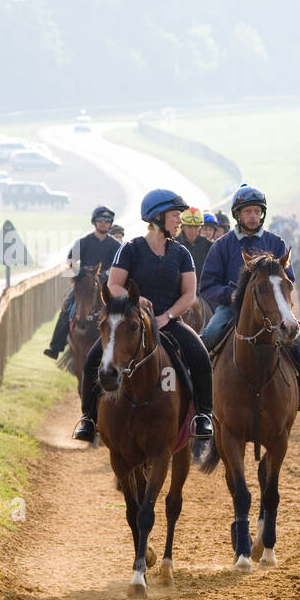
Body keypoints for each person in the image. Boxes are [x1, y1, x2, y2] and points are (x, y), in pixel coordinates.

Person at [72, 189, 214, 442]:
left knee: (200, 356)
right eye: (175, 215)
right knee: (94, 358)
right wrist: (132, 301)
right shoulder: (131, 249)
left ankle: (203, 415)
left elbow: (189, 294)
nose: (179, 220)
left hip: (168, 323)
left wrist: (167, 316)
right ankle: (88, 418)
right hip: (131, 322)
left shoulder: (181, 254)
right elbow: (114, 284)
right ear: (158, 217)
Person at [198, 184, 300, 412]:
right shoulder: (222, 245)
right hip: (232, 309)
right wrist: (229, 294)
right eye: (248, 211)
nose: (253, 216)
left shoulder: (275, 243)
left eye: (257, 211)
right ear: (238, 214)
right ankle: (202, 391)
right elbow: (207, 285)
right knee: (209, 335)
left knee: (297, 339)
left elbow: (288, 278)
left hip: (271, 308)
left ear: (262, 214)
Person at [44, 205, 121, 359]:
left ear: (110, 223)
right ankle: (56, 346)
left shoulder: (116, 245)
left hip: (108, 287)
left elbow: (120, 266)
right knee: (67, 307)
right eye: (100, 220)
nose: (104, 223)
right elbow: (71, 262)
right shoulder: (83, 242)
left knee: (122, 311)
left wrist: (107, 274)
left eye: (107, 221)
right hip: (85, 285)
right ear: (94, 222)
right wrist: (80, 271)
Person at [177, 206, 212, 273]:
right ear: (183, 226)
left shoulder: (209, 245)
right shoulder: (173, 245)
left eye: (196, 227)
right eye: (189, 227)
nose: (192, 231)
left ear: (200, 227)